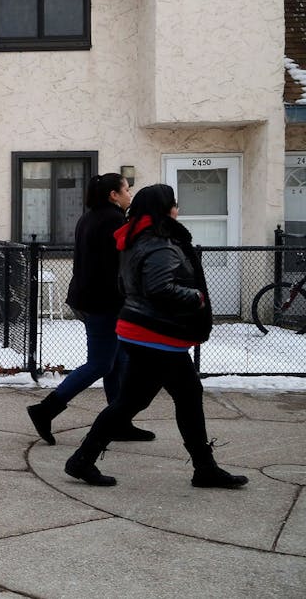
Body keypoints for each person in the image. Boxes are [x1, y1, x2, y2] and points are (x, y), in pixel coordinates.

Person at [63, 184, 247, 489]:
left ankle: (84, 460)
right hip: (156, 335)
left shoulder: (134, 237)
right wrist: (196, 297)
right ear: (163, 209)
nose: (177, 210)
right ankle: (203, 468)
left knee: (142, 400)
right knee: (172, 397)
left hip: (144, 332)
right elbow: (159, 288)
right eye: (174, 204)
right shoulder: (159, 244)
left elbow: (128, 284)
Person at [27, 173, 153, 445]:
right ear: (114, 195)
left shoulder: (89, 217)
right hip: (104, 303)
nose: (130, 195)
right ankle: (45, 410)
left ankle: (118, 421)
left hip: (90, 299)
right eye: (127, 190)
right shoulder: (114, 220)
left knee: (118, 362)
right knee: (101, 363)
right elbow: (124, 261)